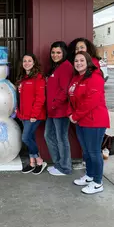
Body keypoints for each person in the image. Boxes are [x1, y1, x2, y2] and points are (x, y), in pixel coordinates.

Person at [68, 51, 110, 194]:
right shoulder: (76, 78)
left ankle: (98, 182)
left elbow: (90, 102)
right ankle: (90, 176)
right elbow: (71, 98)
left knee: (94, 152)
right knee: (86, 151)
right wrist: (71, 114)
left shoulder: (95, 78)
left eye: (82, 60)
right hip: (81, 121)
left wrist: (75, 115)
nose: (78, 63)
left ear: (88, 62)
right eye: (76, 61)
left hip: (95, 121)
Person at [44, 41, 73, 176]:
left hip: (60, 110)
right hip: (51, 110)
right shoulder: (56, 67)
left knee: (61, 138)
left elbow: (65, 90)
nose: (55, 55)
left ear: (64, 53)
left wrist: (55, 104)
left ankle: (65, 167)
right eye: (53, 52)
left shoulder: (66, 67)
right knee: (48, 135)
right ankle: (58, 164)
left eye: (58, 52)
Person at [16, 53, 47, 175]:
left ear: (34, 63)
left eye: (29, 61)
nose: (27, 63)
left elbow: (40, 98)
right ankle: (32, 162)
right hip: (24, 115)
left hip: (34, 116)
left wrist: (34, 114)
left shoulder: (38, 78)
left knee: (25, 137)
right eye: (24, 61)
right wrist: (18, 112)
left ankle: (39, 161)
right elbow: (21, 98)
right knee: (30, 138)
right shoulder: (23, 78)